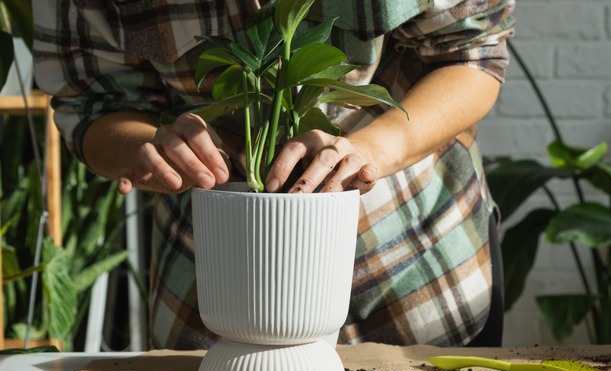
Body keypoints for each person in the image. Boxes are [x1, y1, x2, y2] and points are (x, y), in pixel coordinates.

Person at [33, 0, 515, 349]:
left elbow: (472, 53)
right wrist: (150, 145)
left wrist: (369, 150)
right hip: (218, 301)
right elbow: (92, 103)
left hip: (420, 274)